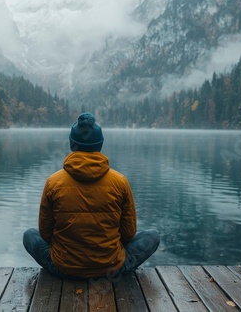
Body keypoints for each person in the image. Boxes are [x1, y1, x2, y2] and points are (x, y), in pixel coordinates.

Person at [23, 112, 160, 280]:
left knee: (30, 235)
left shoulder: (53, 182)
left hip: (64, 269)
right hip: (111, 269)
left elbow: (45, 234)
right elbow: (129, 234)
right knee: (152, 236)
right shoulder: (120, 181)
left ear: (72, 144)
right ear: (100, 145)